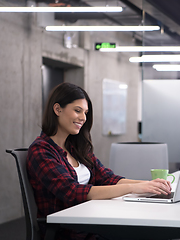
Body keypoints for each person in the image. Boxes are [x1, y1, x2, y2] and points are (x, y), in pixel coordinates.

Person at [27, 82, 172, 240]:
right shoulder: (41, 151)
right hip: (68, 232)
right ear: (57, 109)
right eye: (77, 110)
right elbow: (73, 192)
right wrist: (134, 188)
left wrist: (149, 186)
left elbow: (107, 178)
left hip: (90, 222)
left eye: (86, 112)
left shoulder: (76, 147)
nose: (83, 118)